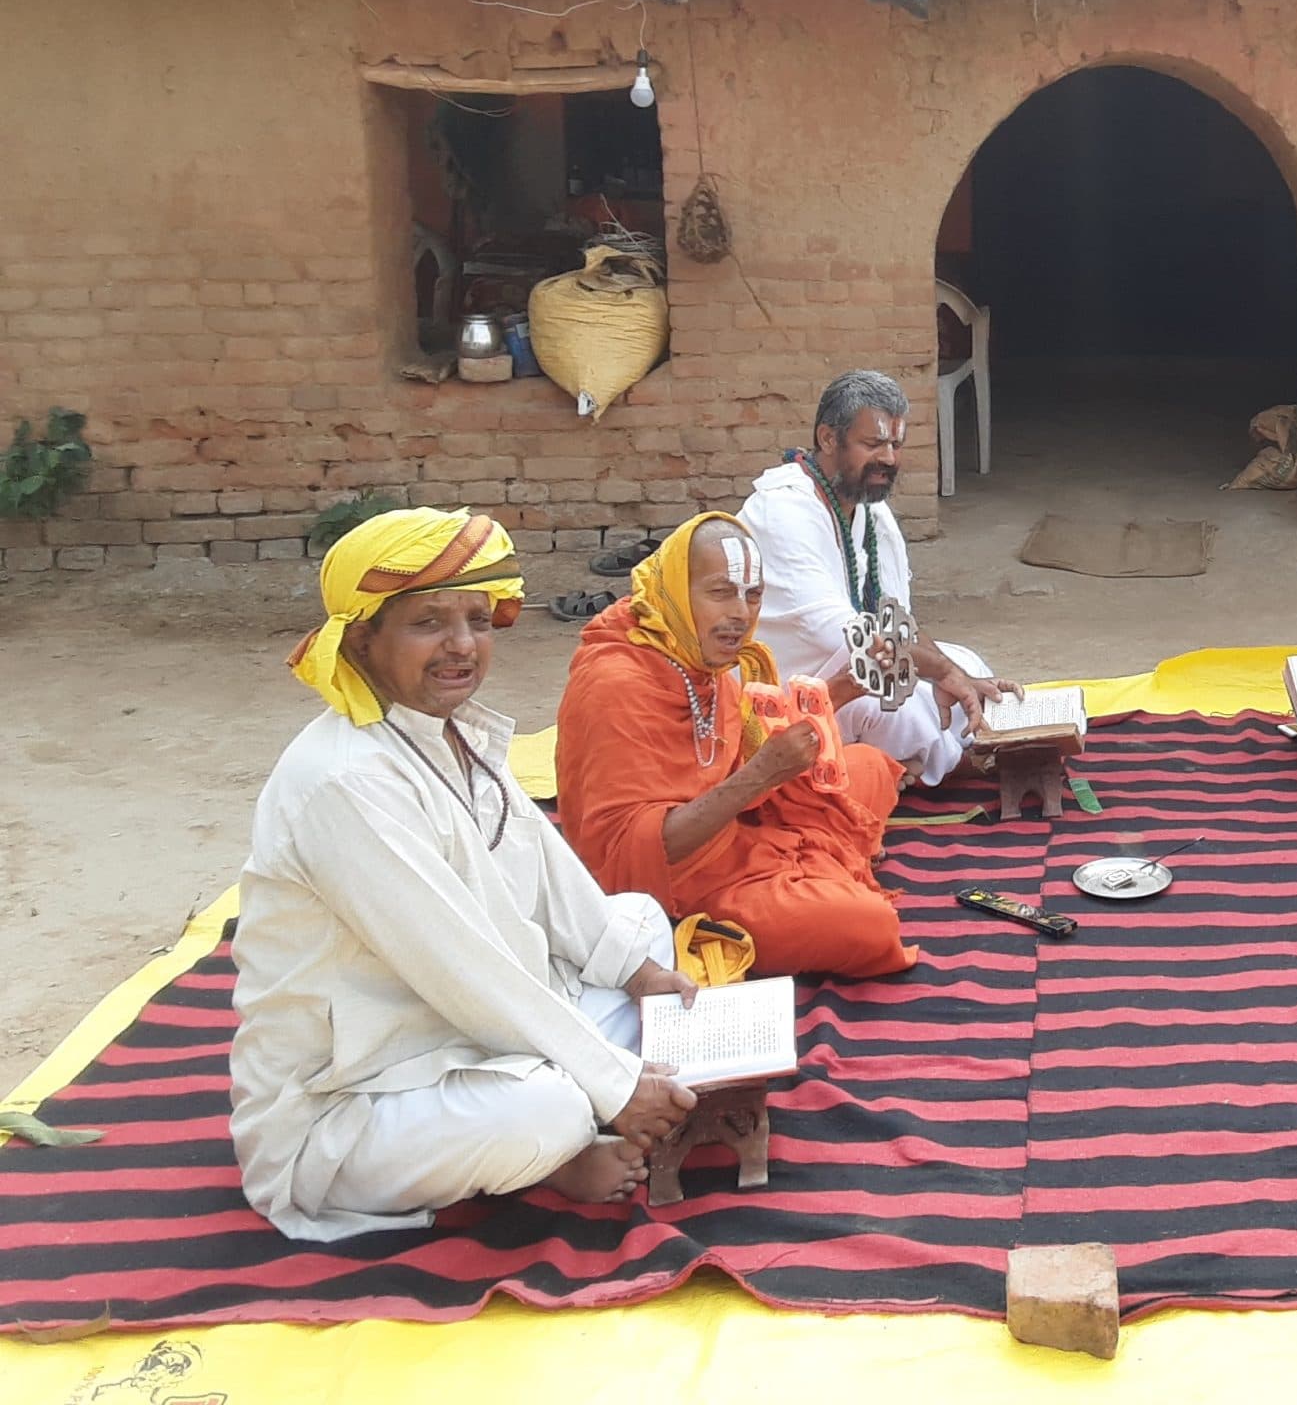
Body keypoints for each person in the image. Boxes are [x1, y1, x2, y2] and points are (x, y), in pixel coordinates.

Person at [230, 509, 700, 1242]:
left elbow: (549, 878)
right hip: (357, 1098)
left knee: (636, 921)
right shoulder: (342, 780)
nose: (462, 646)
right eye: (428, 623)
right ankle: (559, 1146)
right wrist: (616, 1086)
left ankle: (587, 1088)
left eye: (478, 621)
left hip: (471, 1030)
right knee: (548, 1110)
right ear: (362, 639)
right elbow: (458, 964)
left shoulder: (449, 730)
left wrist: (642, 976)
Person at [555, 513, 918, 980]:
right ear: (676, 590)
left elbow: (745, 745)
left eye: (752, 595)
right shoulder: (616, 683)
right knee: (869, 927)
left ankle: (823, 870)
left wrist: (844, 687)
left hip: (738, 827)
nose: (741, 614)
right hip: (678, 881)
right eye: (721, 592)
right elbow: (635, 854)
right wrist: (762, 776)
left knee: (869, 765)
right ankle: (822, 875)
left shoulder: (688, 648)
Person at [739, 370, 1019, 786]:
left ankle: (905, 765)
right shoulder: (783, 511)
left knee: (968, 665)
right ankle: (893, 767)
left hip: (862, 663)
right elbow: (852, 637)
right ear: (828, 439)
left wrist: (954, 671)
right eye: (873, 444)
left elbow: (895, 618)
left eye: (895, 444)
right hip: (790, 685)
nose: (889, 458)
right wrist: (941, 672)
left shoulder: (871, 510)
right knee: (905, 709)